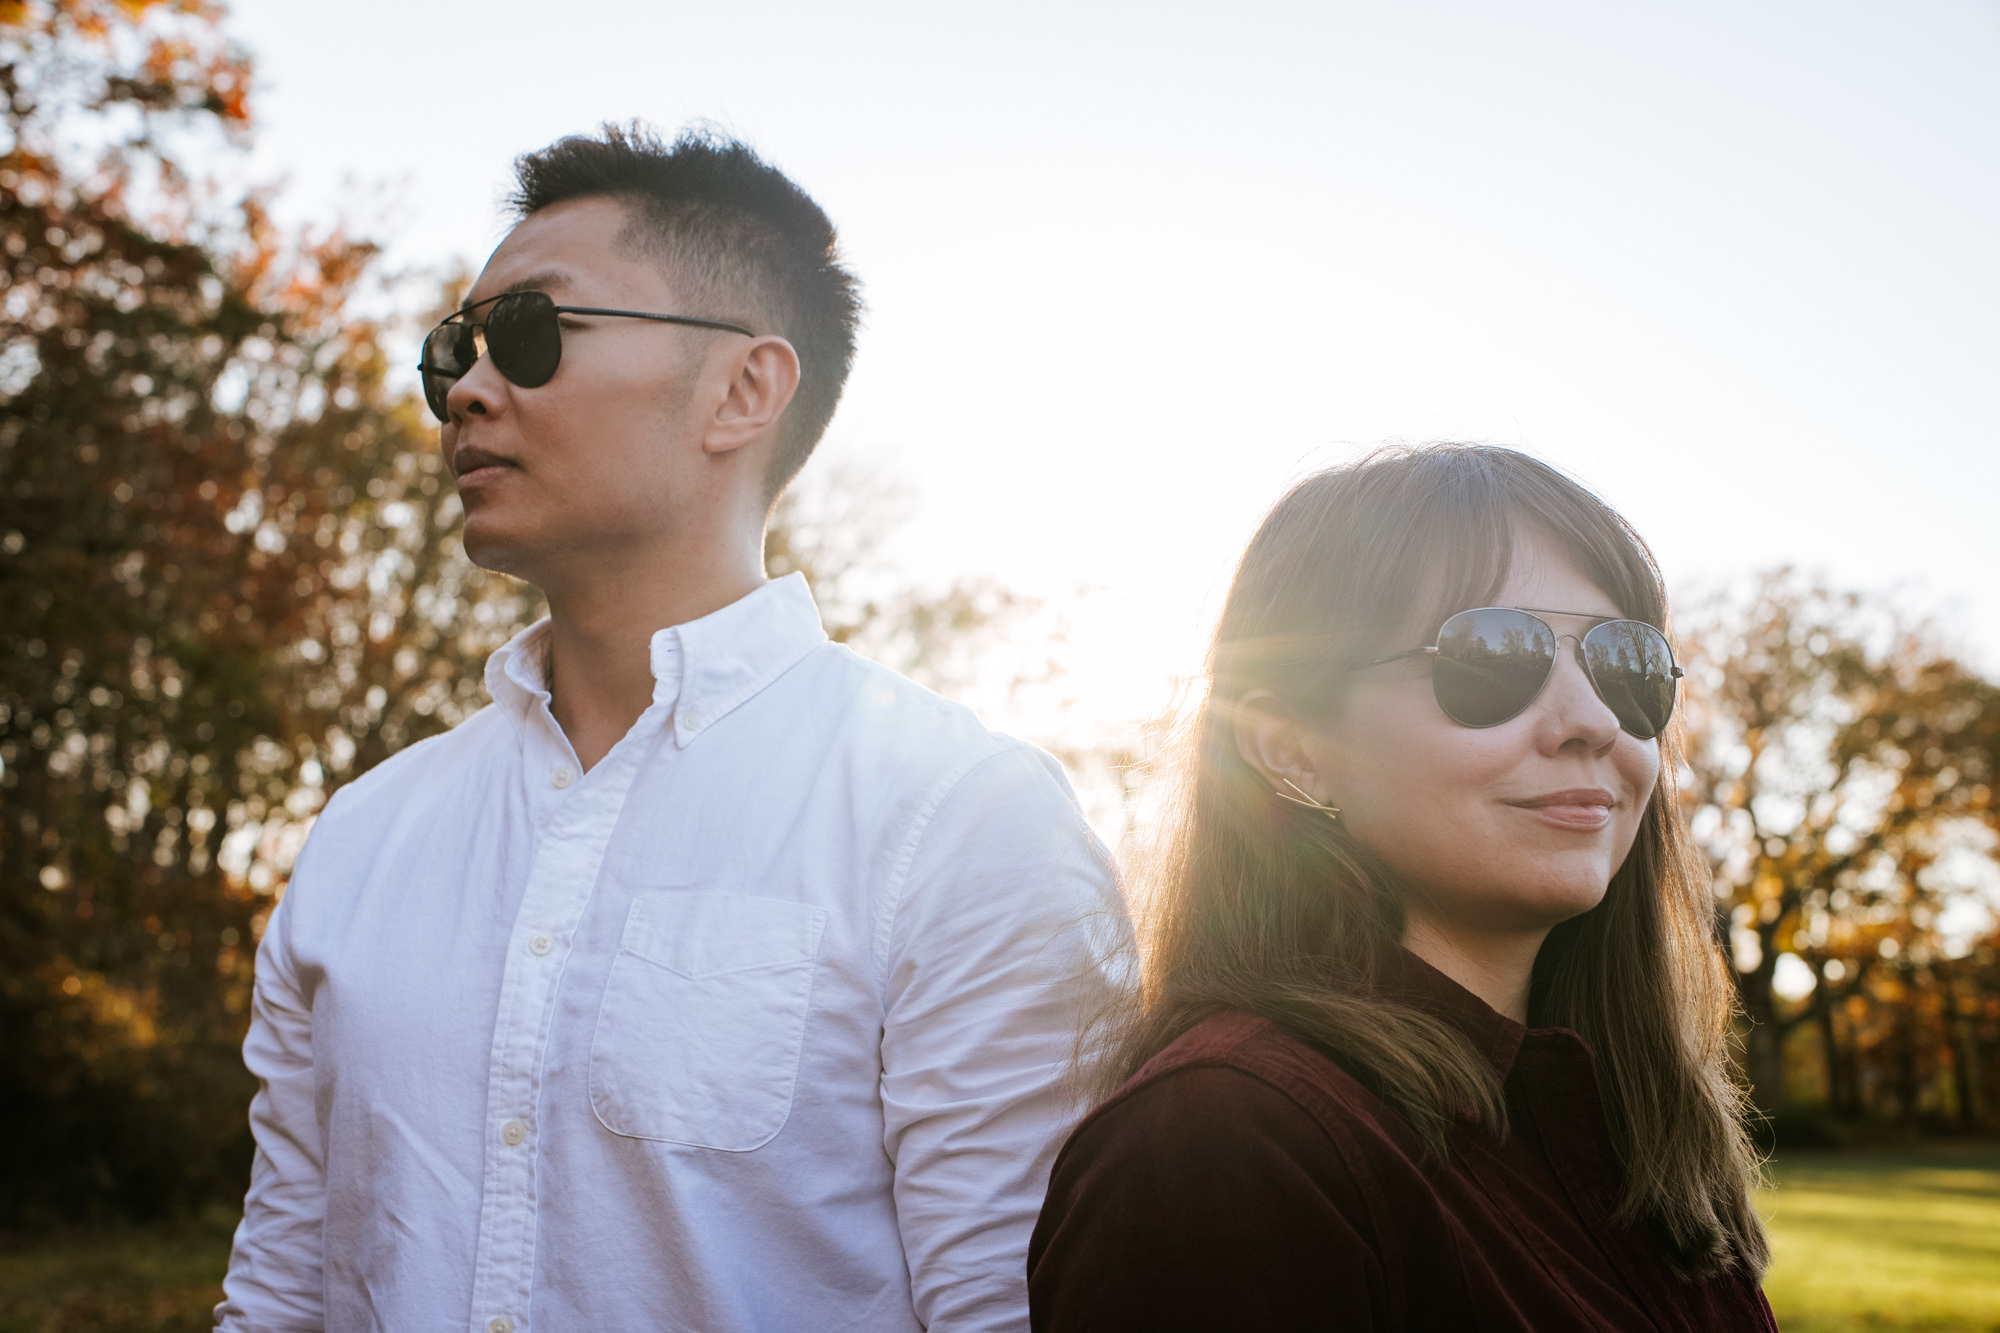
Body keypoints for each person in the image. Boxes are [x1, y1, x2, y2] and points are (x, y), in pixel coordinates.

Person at [217, 124, 1123, 1333]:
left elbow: (1008, 1310)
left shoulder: (957, 821)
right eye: (455, 352)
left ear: (744, 389)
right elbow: (283, 1288)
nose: (471, 390)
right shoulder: (360, 837)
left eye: (534, 333)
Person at [1028, 444, 1778, 1331]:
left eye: (1628, 664)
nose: (1594, 719)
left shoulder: (1636, 1140)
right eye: (1495, 654)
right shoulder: (1223, 1142)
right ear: (1294, 748)